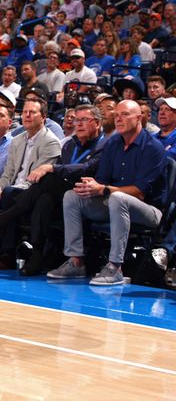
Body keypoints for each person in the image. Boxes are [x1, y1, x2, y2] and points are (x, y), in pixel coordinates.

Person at [0, 104, 106, 275]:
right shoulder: (70, 145)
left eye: (84, 120)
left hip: (90, 194)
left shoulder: (103, 145)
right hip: (63, 193)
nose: (78, 124)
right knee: (44, 200)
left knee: (44, 180)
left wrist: (52, 168)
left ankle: (2, 224)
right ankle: (35, 255)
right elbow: (8, 173)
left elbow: (87, 167)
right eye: (77, 120)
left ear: (98, 123)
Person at [48, 100, 166, 285]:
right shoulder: (113, 144)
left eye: (125, 114)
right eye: (116, 115)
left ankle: (115, 267)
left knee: (118, 198)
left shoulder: (153, 148)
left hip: (149, 210)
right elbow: (102, 179)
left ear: (139, 118)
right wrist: (92, 186)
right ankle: (76, 260)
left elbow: (140, 192)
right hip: (113, 202)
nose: (119, 119)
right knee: (72, 196)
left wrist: (104, 189)